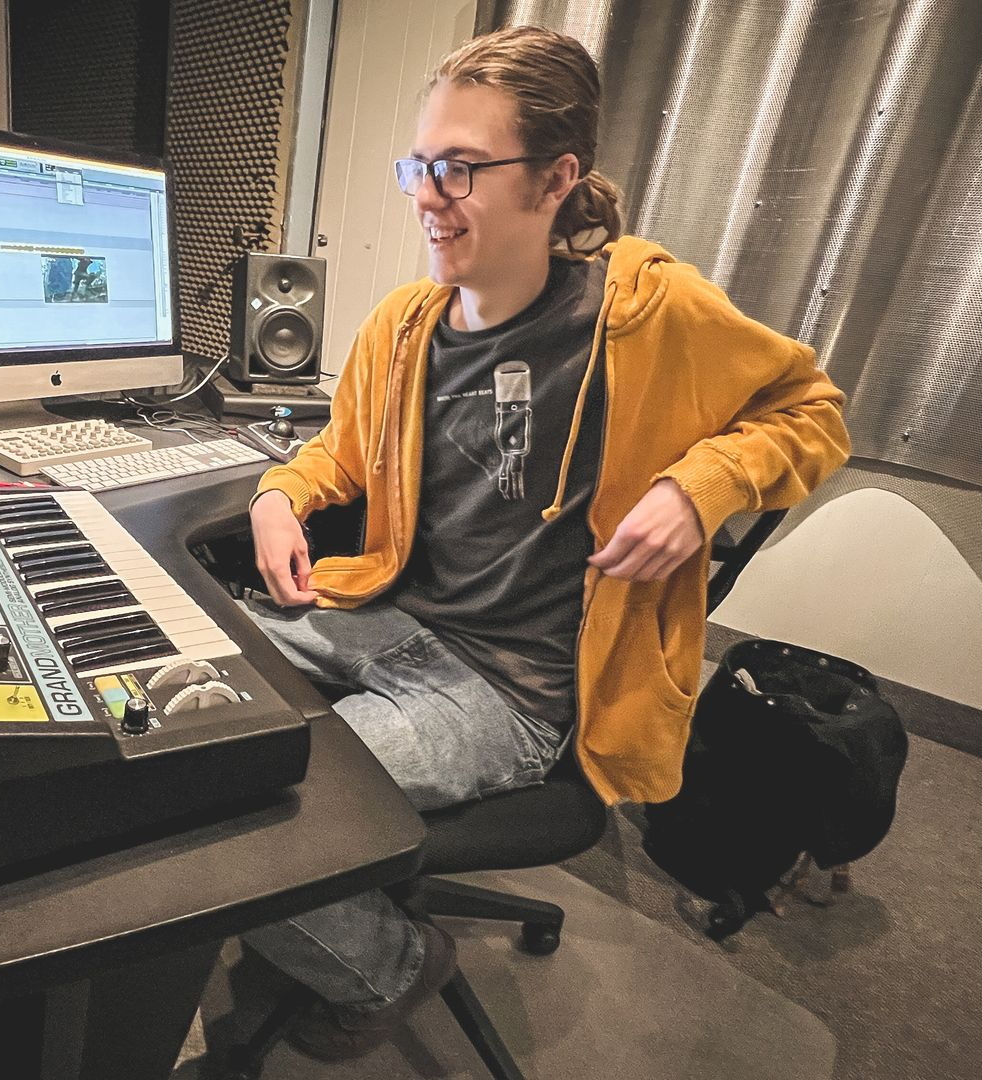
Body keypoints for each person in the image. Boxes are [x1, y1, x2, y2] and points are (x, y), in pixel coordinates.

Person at [239, 25, 852, 1061]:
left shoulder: (650, 315)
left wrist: (702, 489)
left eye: (461, 170)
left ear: (557, 178)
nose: (426, 194)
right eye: (419, 166)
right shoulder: (404, 326)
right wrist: (275, 498)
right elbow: (334, 459)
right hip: (386, 621)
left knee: (244, 824)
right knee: (181, 707)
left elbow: (815, 413)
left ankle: (392, 961)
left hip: (513, 692)